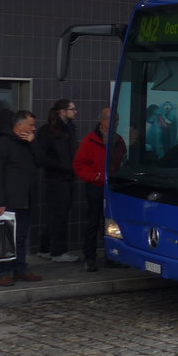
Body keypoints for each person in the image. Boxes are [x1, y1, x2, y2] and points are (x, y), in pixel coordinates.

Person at [0, 110, 44, 287]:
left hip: (25, 197)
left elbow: (42, 161)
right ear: (20, 125)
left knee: (21, 236)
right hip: (9, 199)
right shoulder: (1, 144)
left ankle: (20, 268)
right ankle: (2, 271)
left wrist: (33, 144)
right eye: (31, 124)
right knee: (4, 236)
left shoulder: (28, 143)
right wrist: (0, 201)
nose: (34, 128)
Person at [73, 108, 126, 272]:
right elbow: (78, 165)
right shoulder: (90, 140)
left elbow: (123, 161)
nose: (115, 123)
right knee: (93, 222)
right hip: (95, 187)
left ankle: (111, 256)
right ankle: (90, 257)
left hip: (112, 188)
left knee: (111, 224)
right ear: (102, 121)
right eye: (112, 120)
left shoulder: (118, 140)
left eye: (116, 120)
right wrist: (96, 177)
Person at [37, 98, 80, 262]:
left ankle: (46, 248)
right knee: (59, 215)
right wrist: (61, 165)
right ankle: (58, 251)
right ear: (62, 111)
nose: (75, 112)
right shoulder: (48, 131)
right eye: (72, 109)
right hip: (56, 178)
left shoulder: (69, 129)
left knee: (57, 215)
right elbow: (42, 156)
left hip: (66, 176)